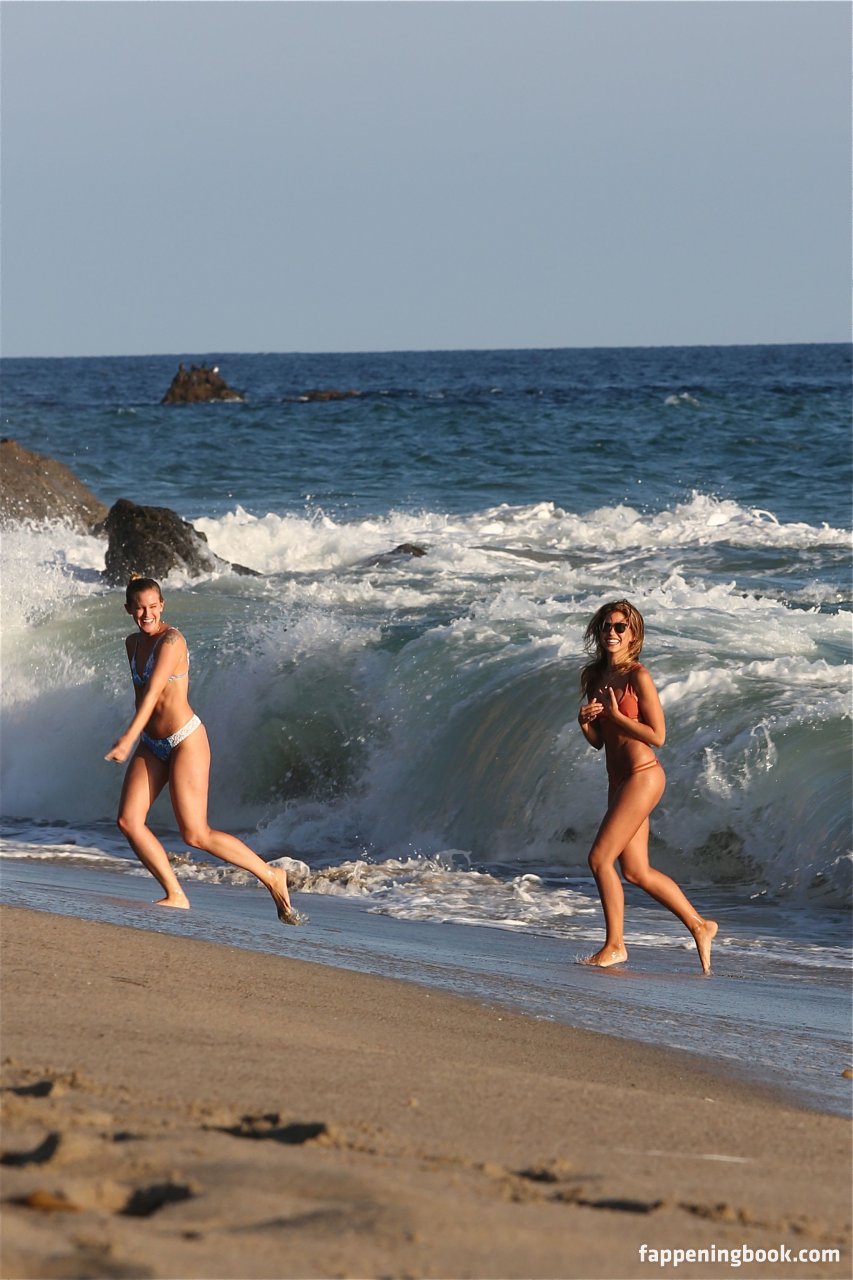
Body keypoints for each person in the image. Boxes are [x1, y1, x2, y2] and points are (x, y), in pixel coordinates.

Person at [105, 575, 298, 923]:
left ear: (162, 605)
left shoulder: (172, 642)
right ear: (128, 609)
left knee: (195, 834)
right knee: (128, 821)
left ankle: (271, 875)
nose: (147, 614)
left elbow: (154, 693)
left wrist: (127, 737)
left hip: (185, 740)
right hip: (152, 744)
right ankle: (175, 894)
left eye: (153, 606)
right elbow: (142, 698)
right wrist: (140, 736)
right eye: (139, 608)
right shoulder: (132, 644)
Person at [577, 599, 716, 973]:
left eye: (620, 627)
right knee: (635, 871)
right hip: (619, 780)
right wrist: (585, 722)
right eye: (606, 626)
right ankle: (700, 925)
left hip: (644, 775)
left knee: (599, 859)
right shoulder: (594, 677)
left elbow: (658, 735)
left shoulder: (639, 677)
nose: (612, 632)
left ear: (633, 635)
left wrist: (617, 715)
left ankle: (615, 945)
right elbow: (600, 742)